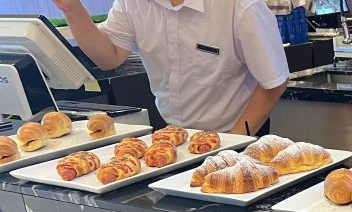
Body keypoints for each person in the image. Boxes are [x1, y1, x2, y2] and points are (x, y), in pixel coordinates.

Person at [52, 0, 291, 135]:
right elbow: (109, 58)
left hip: (237, 133)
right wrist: (72, 10)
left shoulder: (240, 6)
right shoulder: (132, 3)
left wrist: (233, 143)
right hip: (176, 137)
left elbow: (273, 82)